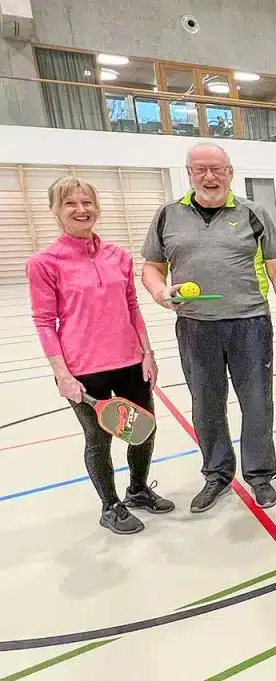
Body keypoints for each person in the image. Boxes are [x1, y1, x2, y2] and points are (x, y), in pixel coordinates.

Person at [140, 142, 276, 512]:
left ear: (230, 173)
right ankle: (217, 475)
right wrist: (160, 291)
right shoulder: (167, 215)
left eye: (217, 169)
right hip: (195, 327)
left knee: (257, 403)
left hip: (249, 324)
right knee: (206, 405)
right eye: (201, 169)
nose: (210, 177)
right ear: (189, 173)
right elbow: (151, 267)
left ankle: (260, 475)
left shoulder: (253, 213)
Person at [27, 177, 173, 535]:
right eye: (70, 203)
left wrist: (148, 353)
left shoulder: (118, 256)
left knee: (143, 430)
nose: (81, 210)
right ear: (55, 210)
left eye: (87, 202)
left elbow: (132, 307)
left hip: (130, 362)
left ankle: (138, 490)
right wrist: (63, 374)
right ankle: (110, 506)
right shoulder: (44, 263)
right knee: (99, 439)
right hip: (82, 369)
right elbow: (44, 322)